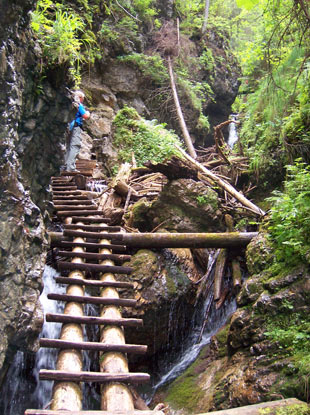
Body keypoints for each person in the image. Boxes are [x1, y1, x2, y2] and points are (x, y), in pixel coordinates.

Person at [65, 90, 90, 171]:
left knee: (68, 146)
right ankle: (71, 167)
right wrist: (88, 113)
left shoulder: (70, 104)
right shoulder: (79, 105)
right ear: (79, 98)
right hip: (76, 127)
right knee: (75, 146)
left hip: (68, 127)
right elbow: (85, 116)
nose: (83, 100)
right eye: (82, 98)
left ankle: (66, 165)